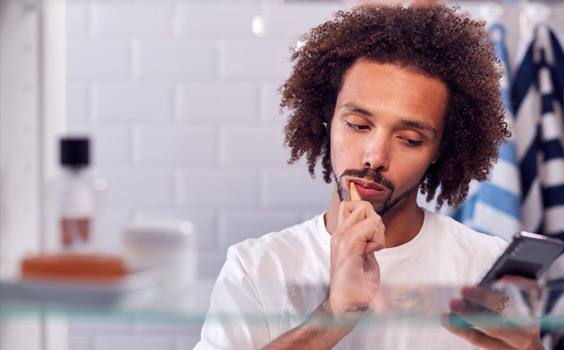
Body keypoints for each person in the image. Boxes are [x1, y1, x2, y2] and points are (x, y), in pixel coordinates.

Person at [195, 4, 543, 350]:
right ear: (327, 120)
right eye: (358, 125)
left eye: (409, 139)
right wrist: (331, 318)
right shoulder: (254, 268)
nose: (375, 157)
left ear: (438, 151)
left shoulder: (484, 267)